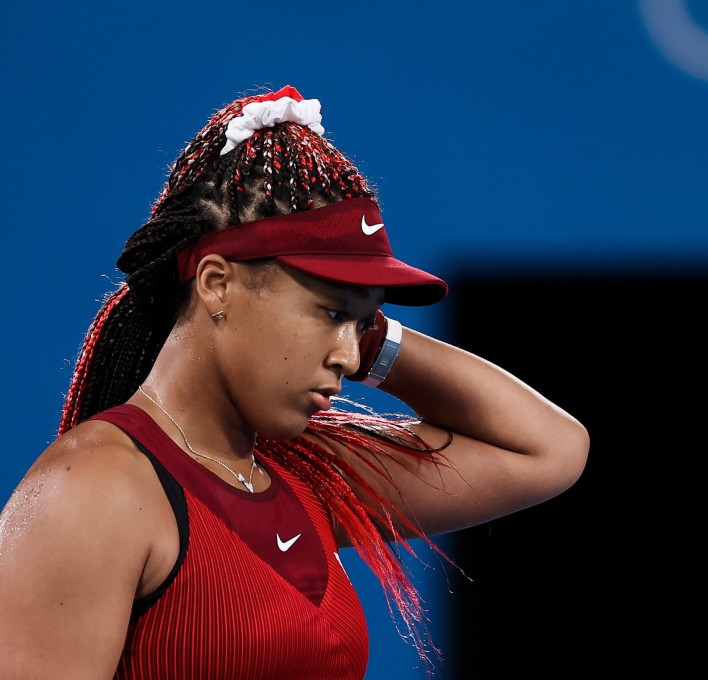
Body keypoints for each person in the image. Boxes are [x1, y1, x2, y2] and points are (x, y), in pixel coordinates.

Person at [0, 85, 589, 679]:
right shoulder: (92, 491)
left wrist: (371, 337)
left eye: (363, 325)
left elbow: (550, 449)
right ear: (216, 284)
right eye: (331, 313)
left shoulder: (300, 473)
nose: (348, 356)